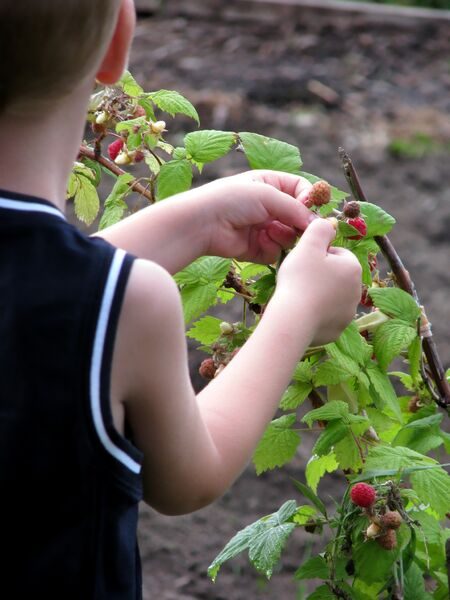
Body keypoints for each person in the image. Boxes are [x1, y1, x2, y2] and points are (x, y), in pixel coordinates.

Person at [0, 0, 362, 597]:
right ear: (121, 38)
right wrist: (297, 309)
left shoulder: (107, 303)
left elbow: (30, 294)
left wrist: (195, 224)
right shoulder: (129, 306)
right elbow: (189, 477)